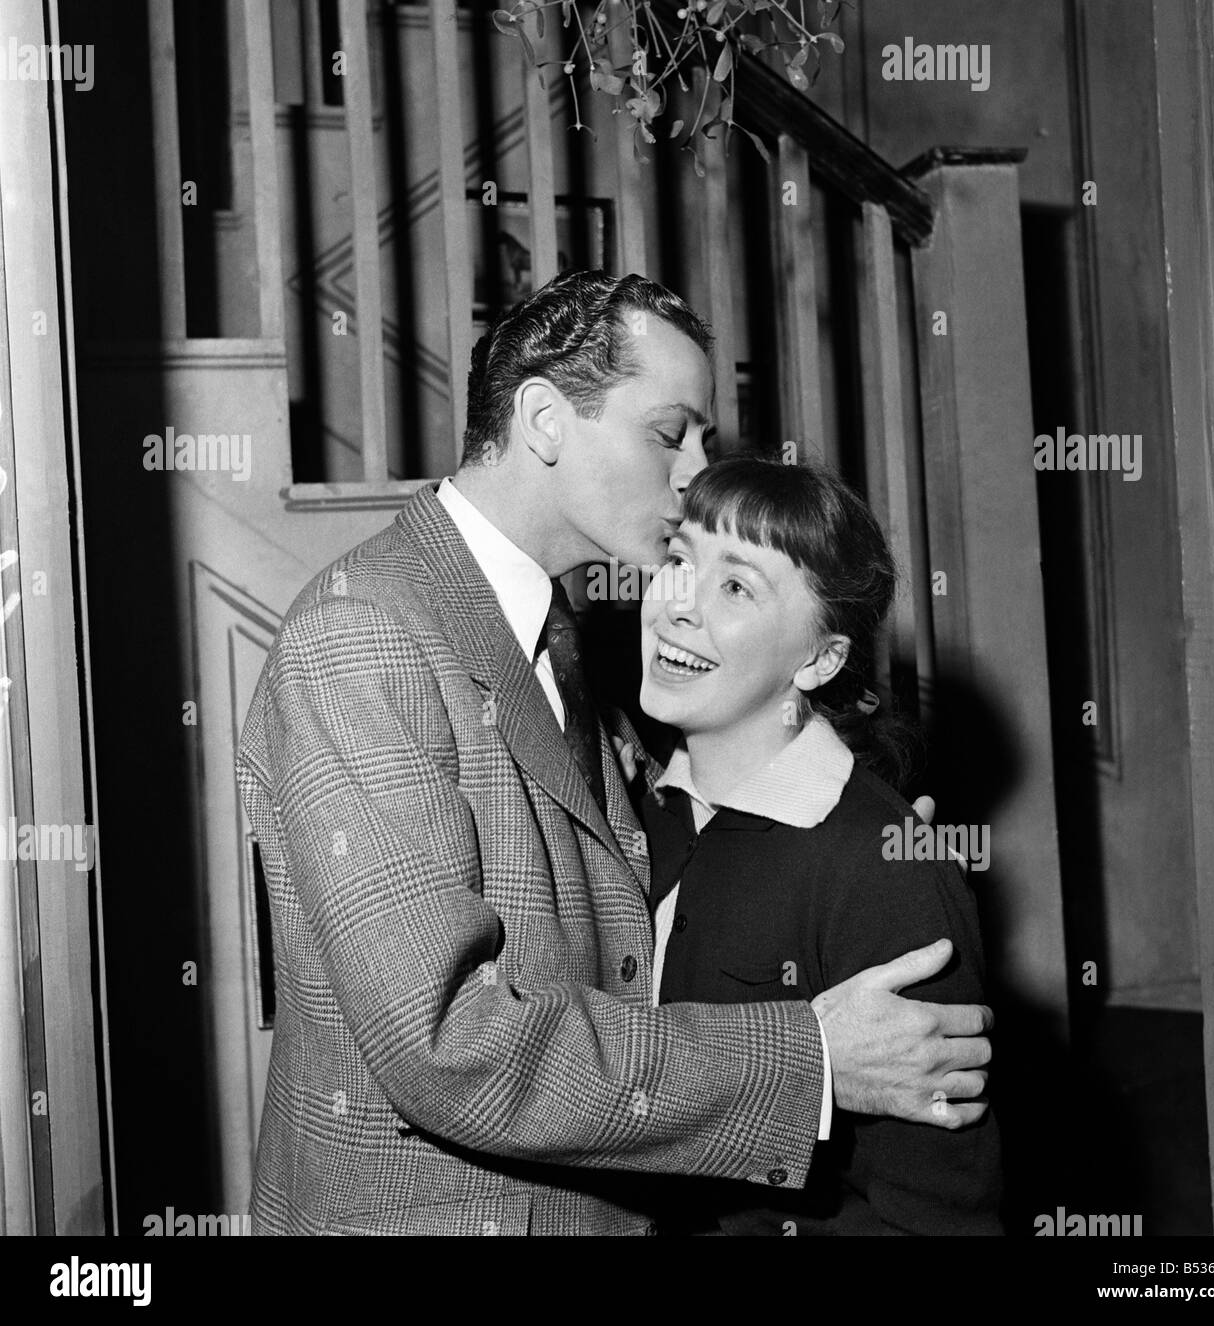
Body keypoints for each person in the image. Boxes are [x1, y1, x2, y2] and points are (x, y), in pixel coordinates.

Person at [235, 269, 992, 1236]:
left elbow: (700, 794)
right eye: (668, 433)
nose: (695, 472)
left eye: (704, 441)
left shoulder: (554, 627)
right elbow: (449, 1044)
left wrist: (865, 844)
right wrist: (812, 1057)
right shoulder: (364, 638)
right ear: (546, 420)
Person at [638, 455, 1002, 1234]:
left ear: (821, 658)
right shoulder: (632, 810)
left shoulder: (885, 865)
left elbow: (943, 1218)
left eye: (736, 586)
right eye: (678, 562)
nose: (676, 607)